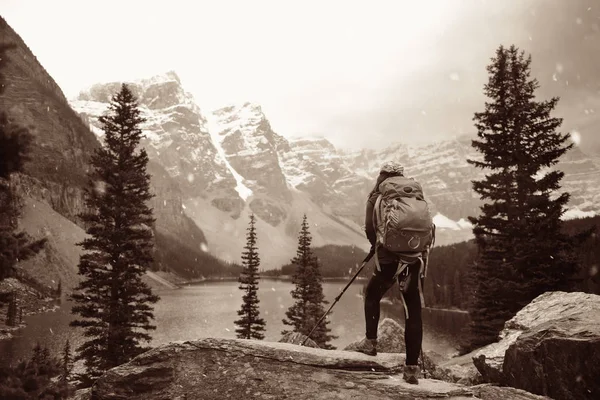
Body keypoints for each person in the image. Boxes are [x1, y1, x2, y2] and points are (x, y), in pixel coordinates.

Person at [351, 161, 433, 385]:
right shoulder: (413, 195)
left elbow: (370, 228)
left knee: (373, 295)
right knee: (412, 310)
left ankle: (371, 344)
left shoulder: (376, 197)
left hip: (388, 259)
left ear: (381, 176)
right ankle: (411, 369)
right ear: (401, 176)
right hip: (413, 259)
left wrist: (376, 245)